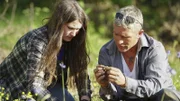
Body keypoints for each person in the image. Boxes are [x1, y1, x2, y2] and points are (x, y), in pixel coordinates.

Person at [0, 0, 91, 101]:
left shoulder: (73, 40)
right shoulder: (38, 40)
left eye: (77, 29)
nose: (74, 34)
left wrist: (85, 96)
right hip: (16, 85)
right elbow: (35, 85)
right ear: (59, 23)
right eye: (70, 28)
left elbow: (81, 72)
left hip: (48, 85)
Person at [94, 5, 180, 101]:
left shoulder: (154, 49)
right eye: (116, 34)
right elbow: (112, 98)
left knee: (166, 94)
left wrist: (125, 82)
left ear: (139, 33)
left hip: (158, 98)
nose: (119, 41)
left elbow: (155, 86)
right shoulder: (106, 51)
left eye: (125, 37)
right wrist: (105, 86)